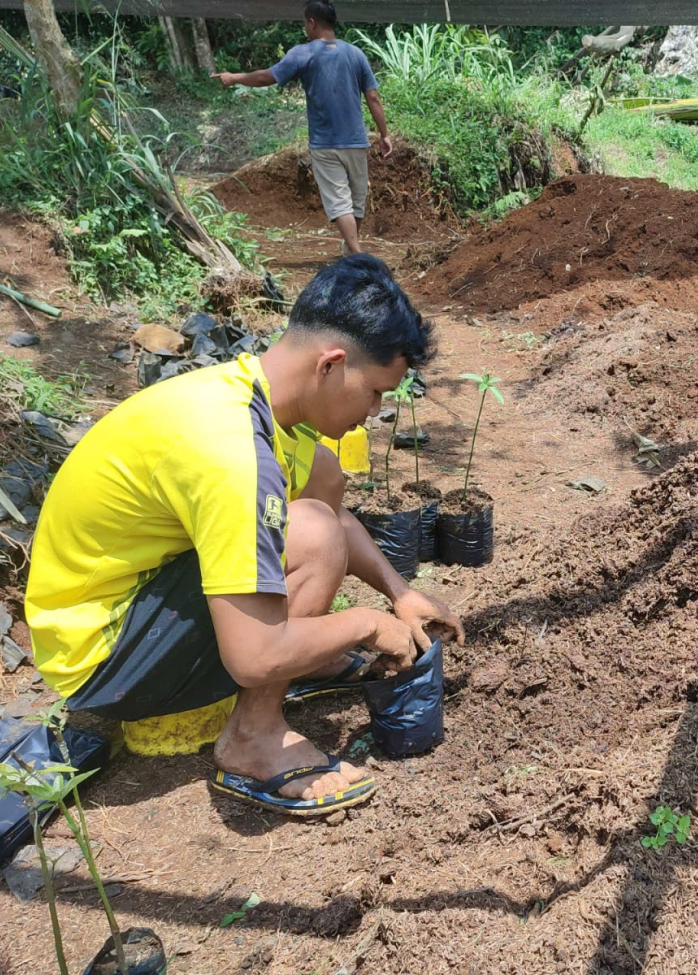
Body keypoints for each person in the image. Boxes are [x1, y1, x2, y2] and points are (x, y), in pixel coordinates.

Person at [25, 255, 464, 817]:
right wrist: (368, 624)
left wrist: (399, 592)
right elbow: (256, 654)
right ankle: (252, 740)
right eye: (376, 391)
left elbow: (337, 517)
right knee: (311, 533)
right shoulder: (231, 453)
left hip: (133, 596)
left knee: (323, 477)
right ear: (331, 365)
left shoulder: (249, 392)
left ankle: (302, 658)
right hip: (101, 657)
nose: (376, 411)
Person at [213, 1, 391, 256]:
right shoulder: (356, 54)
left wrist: (234, 78)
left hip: (325, 144)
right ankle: (352, 251)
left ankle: (357, 255)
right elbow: (373, 97)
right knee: (355, 202)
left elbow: (266, 77)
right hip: (356, 141)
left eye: (305, 23)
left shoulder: (302, 53)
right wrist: (384, 135)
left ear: (312, 22)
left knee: (340, 203)